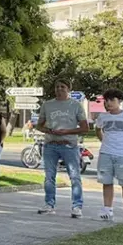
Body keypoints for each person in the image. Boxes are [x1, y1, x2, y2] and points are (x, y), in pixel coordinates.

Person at [35, 80, 88, 218]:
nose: (59, 89)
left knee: (75, 176)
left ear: (69, 89)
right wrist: (49, 130)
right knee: (49, 177)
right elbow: (39, 125)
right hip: (50, 145)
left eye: (62, 87)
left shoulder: (75, 105)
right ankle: (49, 204)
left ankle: (77, 206)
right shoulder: (47, 105)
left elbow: (84, 128)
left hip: (69, 145)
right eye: (57, 86)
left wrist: (67, 132)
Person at [95, 88, 123, 222]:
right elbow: (98, 129)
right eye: (106, 101)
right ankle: (107, 209)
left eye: (112, 100)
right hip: (106, 153)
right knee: (106, 182)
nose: (108, 103)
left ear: (119, 101)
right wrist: (103, 140)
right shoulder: (103, 117)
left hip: (122, 154)